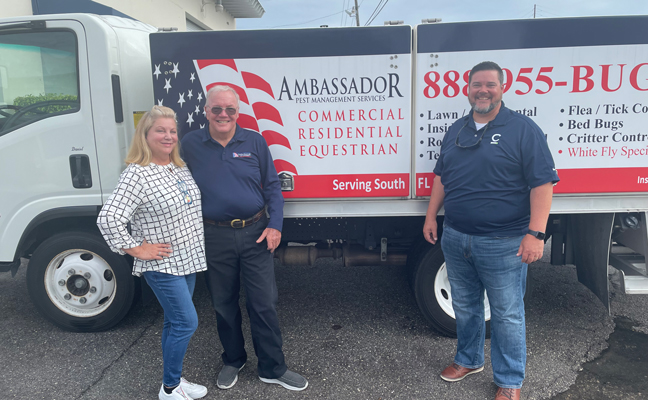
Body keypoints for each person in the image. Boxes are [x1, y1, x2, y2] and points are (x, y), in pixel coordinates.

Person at [423, 61, 559, 400]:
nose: (482, 90)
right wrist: (430, 217)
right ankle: (468, 360)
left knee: (507, 313)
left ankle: (510, 381)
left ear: (502, 88)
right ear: (467, 89)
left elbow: (542, 184)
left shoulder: (523, 129)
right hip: (456, 237)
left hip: (505, 242)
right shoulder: (456, 129)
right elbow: (441, 177)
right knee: (466, 305)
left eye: (489, 85)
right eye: (476, 85)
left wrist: (536, 234)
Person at [181, 85, 308, 391]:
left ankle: (272, 367)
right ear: (206, 111)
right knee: (223, 304)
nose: (223, 115)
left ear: (239, 112)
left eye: (230, 109)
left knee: (263, 303)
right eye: (217, 109)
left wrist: (275, 225)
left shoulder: (254, 141)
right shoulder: (189, 144)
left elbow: (272, 187)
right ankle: (233, 359)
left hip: (256, 234)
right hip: (213, 235)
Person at [97, 106, 207, 400]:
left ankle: (174, 381)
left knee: (174, 322)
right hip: (162, 264)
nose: (168, 136)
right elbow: (109, 218)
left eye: (172, 131)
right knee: (186, 322)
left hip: (187, 259)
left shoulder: (178, 166)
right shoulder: (137, 174)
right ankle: (170, 389)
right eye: (160, 130)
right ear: (145, 135)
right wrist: (136, 248)